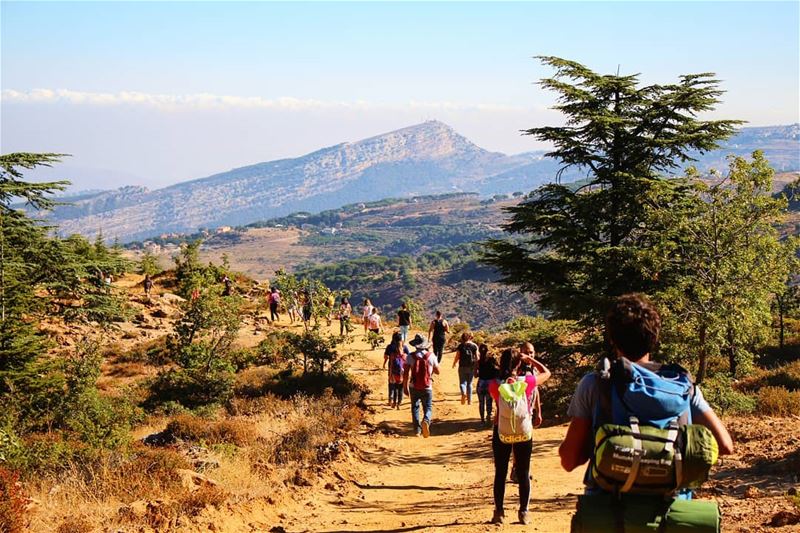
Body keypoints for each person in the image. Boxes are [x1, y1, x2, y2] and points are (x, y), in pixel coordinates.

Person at [558, 294, 734, 494]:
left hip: (610, 510)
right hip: (670, 509)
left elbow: (569, 461)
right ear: (655, 338)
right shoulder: (682, 385)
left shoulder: (596, 384)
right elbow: (725, 445)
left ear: (612, 339)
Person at [489, 348, 551, 525]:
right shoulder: (528, 382)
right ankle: (523, 512)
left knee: (500, 472)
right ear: (519, 363)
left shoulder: (495, 384)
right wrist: (530, 360)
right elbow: (547, 373)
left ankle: (499, 512)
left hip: (501, 430)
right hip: (524, 431)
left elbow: (498, 407)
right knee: (523, 472)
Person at [403, 334, 440, 437]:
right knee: (428, 407)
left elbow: (405, 373)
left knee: (415, 407)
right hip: (427, 386)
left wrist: (405, 386)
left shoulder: (410, 356)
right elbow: (438, 371)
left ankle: (417, 431)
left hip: (413, 386)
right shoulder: (431, 356)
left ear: (415, 345)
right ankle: (426, 420)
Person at [383, 332, 409, 408]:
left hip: (392, 369)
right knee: (400, 386)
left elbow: (386, 356)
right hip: (402, 370)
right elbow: (409, 357)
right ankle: (399, 402)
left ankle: (391, 399)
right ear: (401, 339)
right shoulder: (404, 347)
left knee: (392, 385)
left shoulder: (390, 347)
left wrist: (384, 363)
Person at [452, 332, 478, 405]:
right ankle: (469, 401)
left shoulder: (460, 346)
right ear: (469, 337)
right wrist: (477, 366)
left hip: (462, 366)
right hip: (471, 366)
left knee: (462, 382)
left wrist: (454, 363)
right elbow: (477, 358)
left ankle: (463, 393)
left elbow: (457, 356)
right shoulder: (474, 346)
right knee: (470, 383)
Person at [476, 343, 498, 426]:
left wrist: (481, 373)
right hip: (490, 383)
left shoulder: (478, 361)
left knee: (481, 402)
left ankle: (482, 420)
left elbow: (475, 374)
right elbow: (497, 369)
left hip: (481, 383)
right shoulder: (492, 359)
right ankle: (488, 417)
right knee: (489, 401)